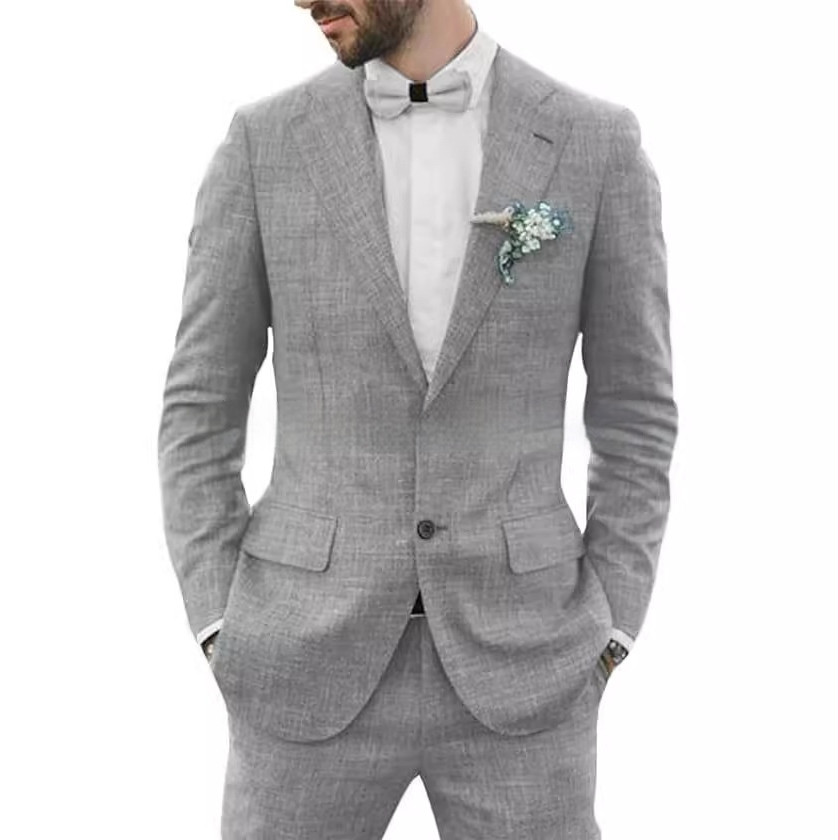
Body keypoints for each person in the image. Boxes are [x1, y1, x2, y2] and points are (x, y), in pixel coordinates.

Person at [157, 1, 678, 836]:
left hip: (529, 667)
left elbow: (636, 409)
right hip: (299, 662)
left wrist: (613, 625)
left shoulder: (595, 143)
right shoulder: (264, 143)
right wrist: (220, 620)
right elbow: (199, 404)